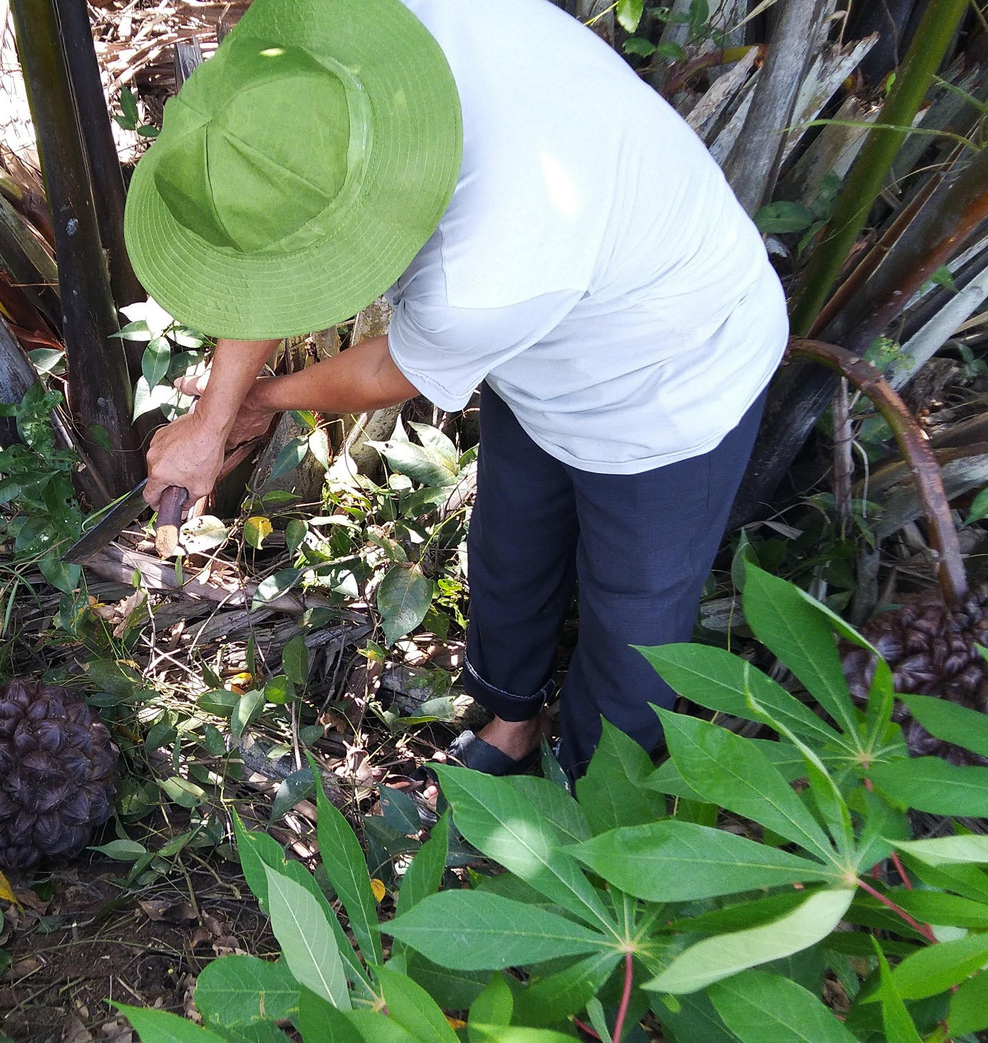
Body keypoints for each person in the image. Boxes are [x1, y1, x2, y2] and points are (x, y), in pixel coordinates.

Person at [122, 0, 788, 781]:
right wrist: (214, 416)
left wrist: (256, 402)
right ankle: (512, 720)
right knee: (510, 549)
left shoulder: (480, 281)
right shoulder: (372, 32)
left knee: (634, 615)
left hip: (668, 385)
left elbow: (381, 373)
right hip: (546, 349)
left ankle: (595, 792)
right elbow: (274, 235)